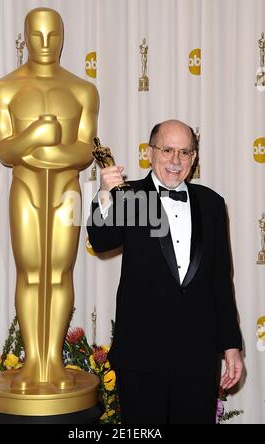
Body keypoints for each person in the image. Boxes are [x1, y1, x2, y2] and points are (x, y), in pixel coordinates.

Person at [87, 120, 243, 424]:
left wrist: (231, 345)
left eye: (185, 152)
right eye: (168, 150)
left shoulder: (212, 204)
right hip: (141, 357)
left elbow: (220, 281)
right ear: (149, 152)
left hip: (197, 358)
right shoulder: (128, 195)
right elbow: (102, 241)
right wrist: (105, 194)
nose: (175, 160)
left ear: (194, 158)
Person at [0, 7, 99, 391]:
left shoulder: (83, 90)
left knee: (61, 271)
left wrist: (45, 154)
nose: (46, 44)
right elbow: (5, 151)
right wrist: (36, 134)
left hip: (67, 190)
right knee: (30, 271)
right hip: (26, 189)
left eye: (53, 35)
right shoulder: (5, 89)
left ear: (63, 36)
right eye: (37, 35)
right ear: (25, 36)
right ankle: (33, 360)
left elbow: (85, 151)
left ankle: (53, 358)